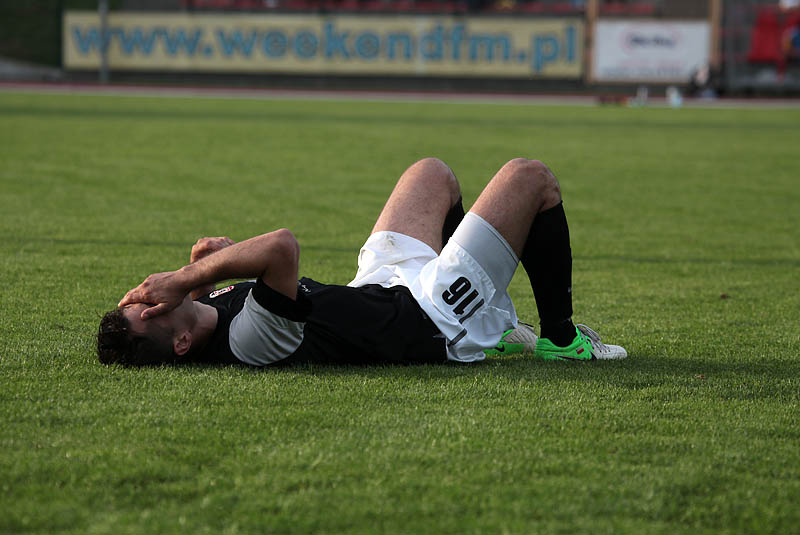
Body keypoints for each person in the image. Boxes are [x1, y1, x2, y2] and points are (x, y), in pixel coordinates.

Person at [97, 157, 626, 367]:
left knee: (431, 173)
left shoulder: (199, 316)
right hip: (428, 318)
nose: (151, 296)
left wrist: (198, 271)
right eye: (149, 311)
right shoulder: (248, 343)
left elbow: (206, 302)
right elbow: (280, 248)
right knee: (530, 178)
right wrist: (188, 276)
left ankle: (497, 325)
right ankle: (562, 340)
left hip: (378, 287)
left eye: (137, 300)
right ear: (181, 343)